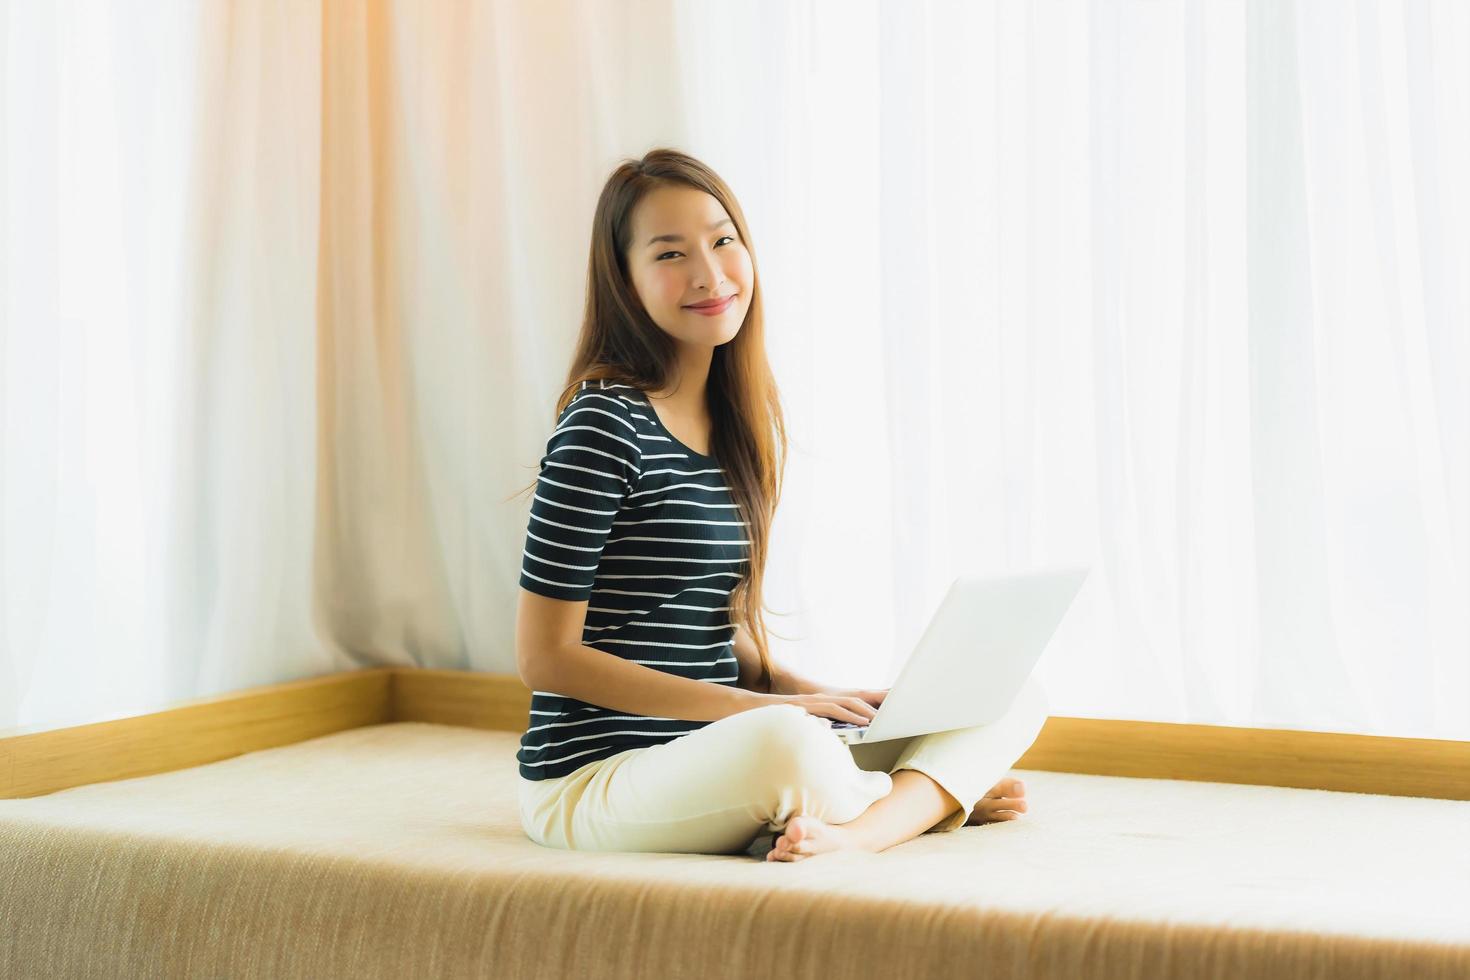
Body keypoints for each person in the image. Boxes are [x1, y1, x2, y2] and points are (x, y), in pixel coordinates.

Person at [512, 147, 1046, 862]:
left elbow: (705, 628)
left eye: (723, 240)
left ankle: (868, 817)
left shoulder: (730, 423)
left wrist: (832, 698)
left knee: (1008, 689)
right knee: (787, 744)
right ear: (625, 281)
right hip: (594, 780)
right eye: (670, 254)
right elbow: (545, 658)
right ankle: (927, 803)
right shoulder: (602, 424)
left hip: (714, 748)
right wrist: (763, 710)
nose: (709, 273)